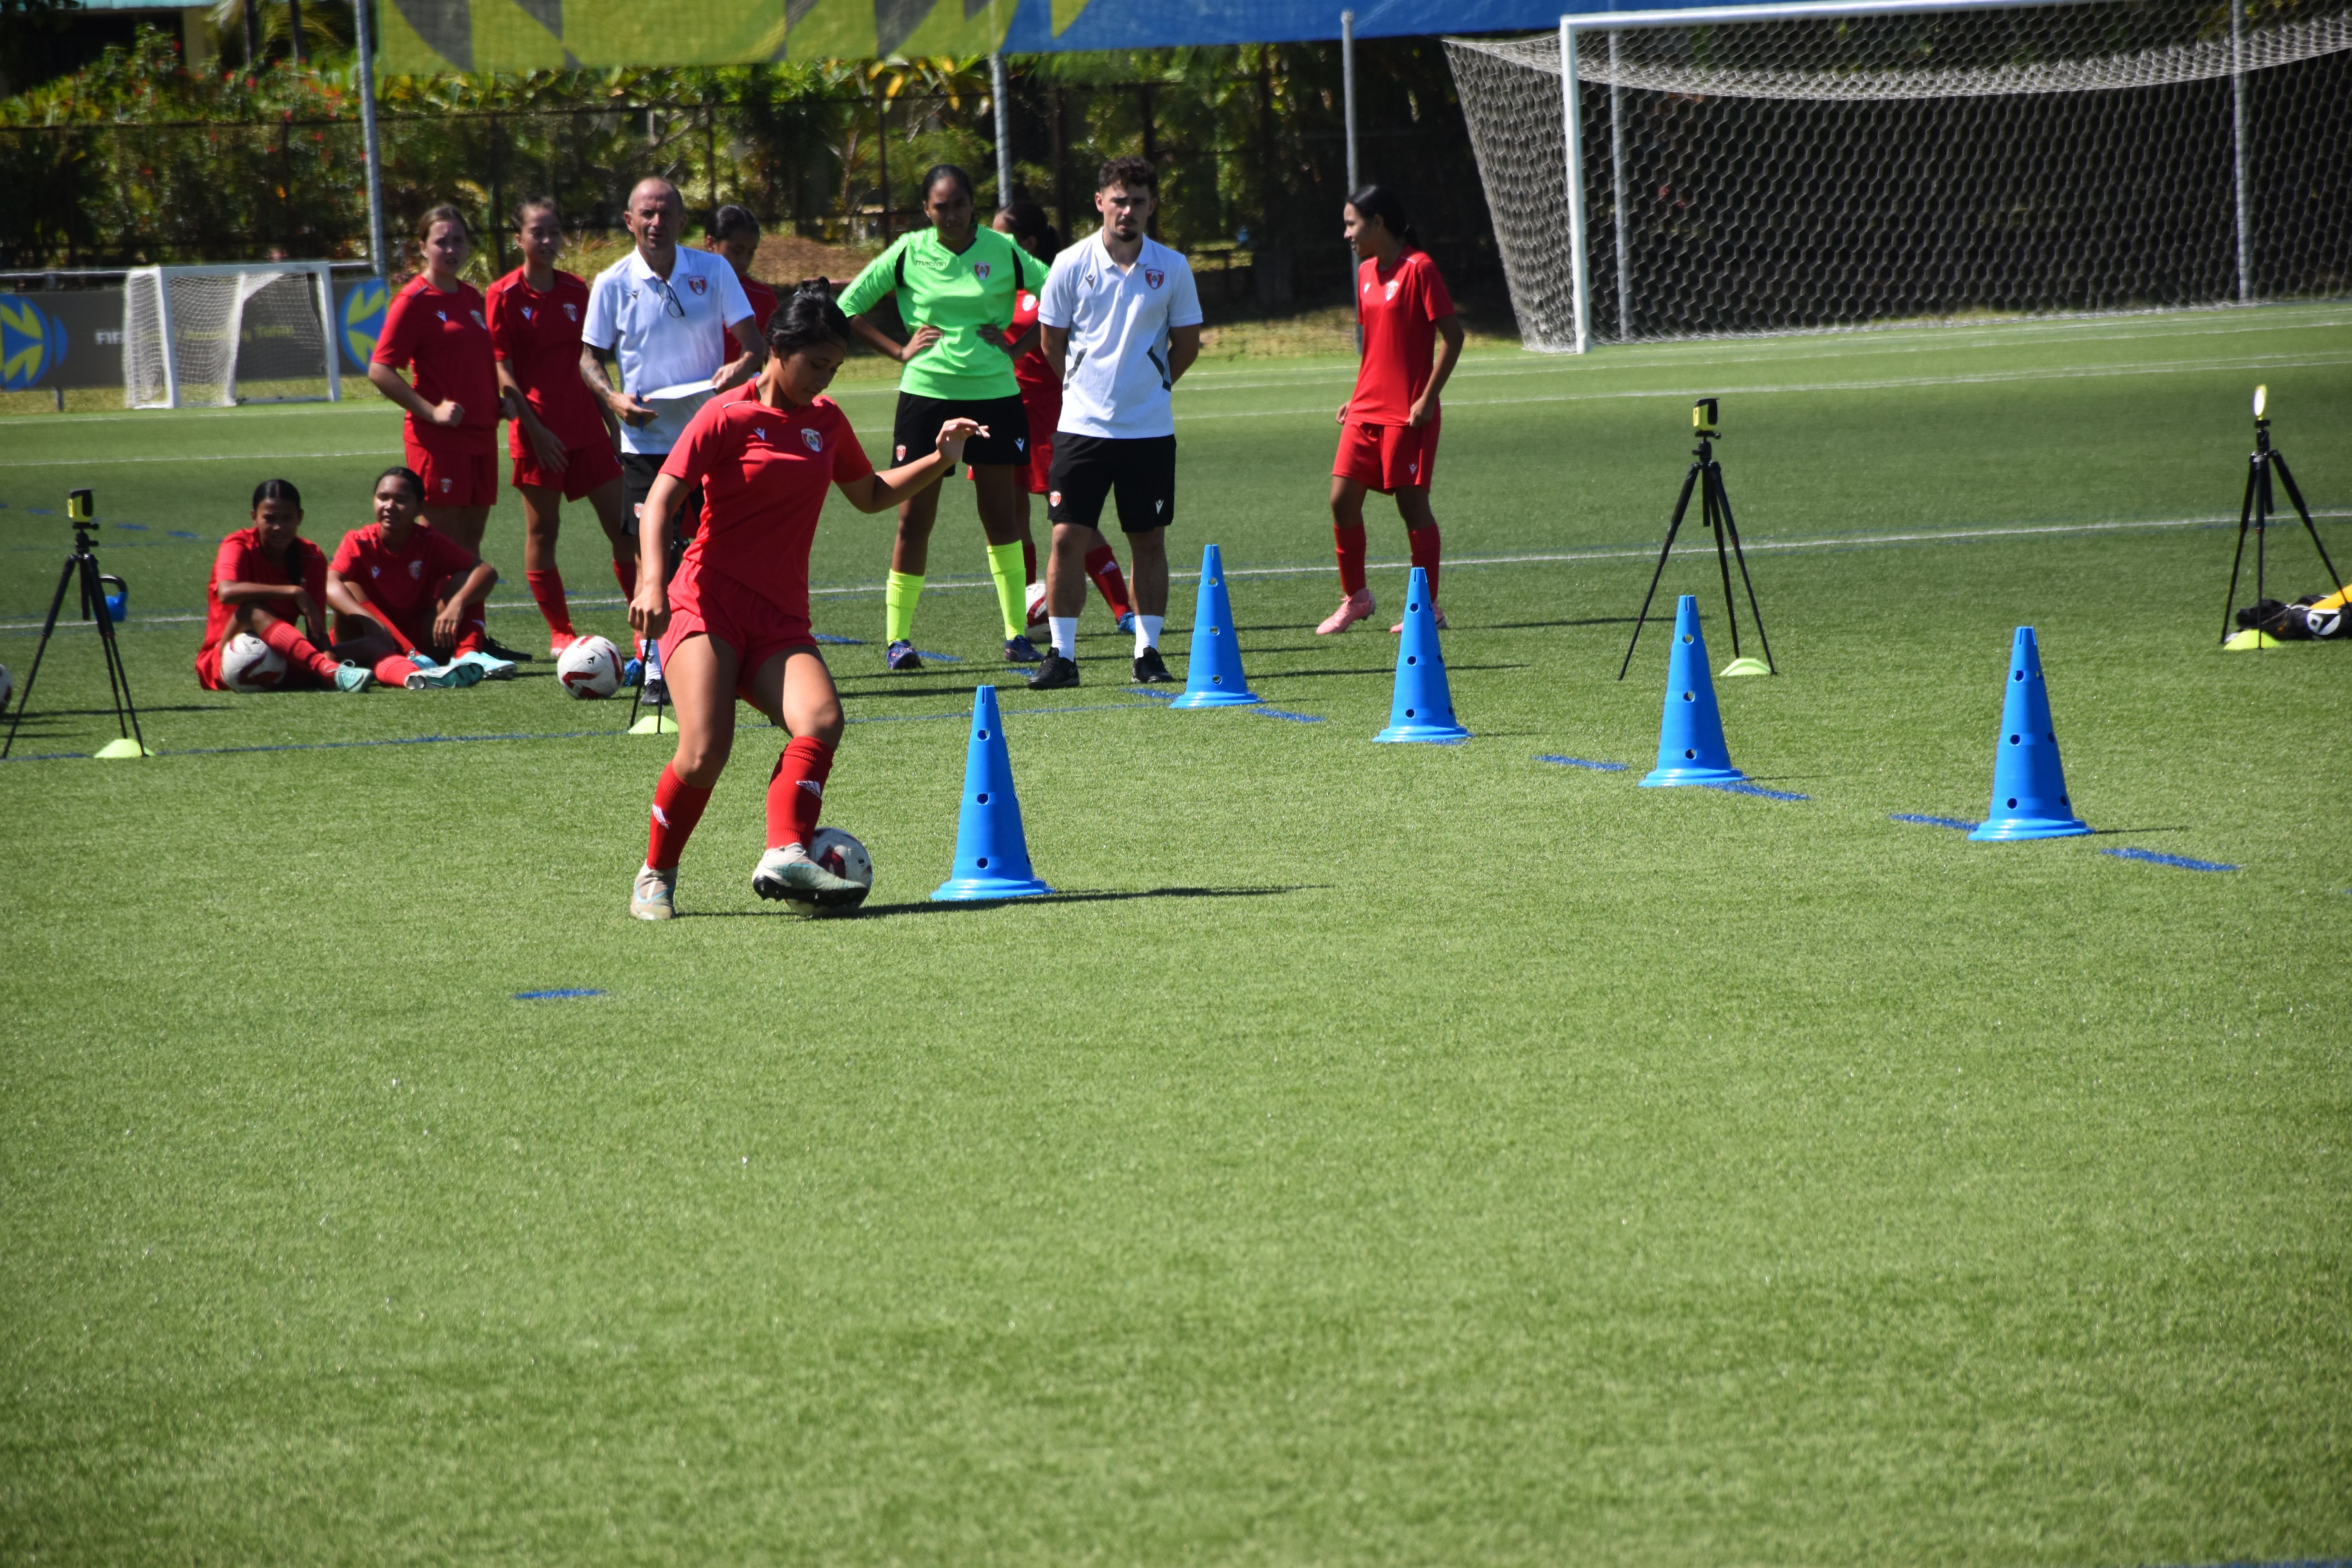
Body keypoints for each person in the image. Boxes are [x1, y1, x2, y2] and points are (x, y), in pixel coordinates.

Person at [625, 283, 987, 921]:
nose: (824, 379)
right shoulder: (724, 416)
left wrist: (941, 458)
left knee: (820, 720)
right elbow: (660, 501)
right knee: (705, 752)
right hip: (706, 603)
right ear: (778, 349)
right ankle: (656, 872)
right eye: (816, 364)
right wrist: (652, 582)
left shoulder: (827, 421)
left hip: (780, 617)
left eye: (834, 368)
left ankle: (785, 851)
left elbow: (871, 494)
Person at [839, 164, 1041, 669]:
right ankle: (898, 641)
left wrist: (1019, 347)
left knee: (1002, 517)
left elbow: (1062, 293)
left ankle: (1017, 635)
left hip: (994, 395)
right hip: (926, 397)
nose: (951, 215)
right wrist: (898, 351)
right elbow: (848, 306)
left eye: (959, 205)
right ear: (926, 210)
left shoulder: (1002, 249)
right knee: (914, 519)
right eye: (940, 207)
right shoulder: (908, 250)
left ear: (974, 205)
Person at [582, 177, 765, 698]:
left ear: (683, 221)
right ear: (629, 221)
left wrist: (737, 369)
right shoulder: (611, 282)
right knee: (651, 552)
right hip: (646, 440)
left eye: (666, 213)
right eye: (647, 213)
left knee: (723, 544)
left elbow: (754, 345)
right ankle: (655, 666)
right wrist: (613, 399)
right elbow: (589, 357)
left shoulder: (715, 270)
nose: (657, 222)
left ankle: (731, 653)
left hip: (712, 435)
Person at [1027, 156, 1203, 691]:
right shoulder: (1069, 264)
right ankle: (1062, 656)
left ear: (1153, 206)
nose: (1128, 210)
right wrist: (1083, 387)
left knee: (1148, 541)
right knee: (1066, 538)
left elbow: (1187, 344)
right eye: (1119, 200)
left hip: (1148, 432)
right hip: (1081, 428)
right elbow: (1051, 342)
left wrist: (1154, 386)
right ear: (1100, 201)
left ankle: (1148, 652)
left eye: (1139, 202)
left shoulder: (1172, 267)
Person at [486, 195, 634, 657]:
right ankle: (560, 633)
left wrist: (612, 424)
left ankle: (644, 630)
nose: (548, 240)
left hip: (587, 429)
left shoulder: (576, 290)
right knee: (543, 533)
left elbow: (590, 362)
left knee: (625, 529)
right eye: (538, 232)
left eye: (554, 231)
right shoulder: (503, 295)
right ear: (519, 239)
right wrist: (534, 430)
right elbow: (503, 371)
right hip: (539, 437)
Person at [1319, 185, 1465, 635]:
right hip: (1367, 408)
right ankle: (1357, 599)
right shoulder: (1365, 273)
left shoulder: (1421, 269)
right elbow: (1376, 348)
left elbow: (1454, 338)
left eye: (1352, 224)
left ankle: (1428, 607)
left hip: (1408, 412)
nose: (1346, 234)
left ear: (1378, 223)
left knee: (1412, 507)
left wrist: (1428, 398)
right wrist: (1357, 394)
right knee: (1341, 500)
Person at [993, 201, 1134, 636]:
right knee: (1011, 517)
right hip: (1000, 409)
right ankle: (1024, 610)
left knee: (1071, 516)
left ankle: (1123, 609)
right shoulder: (990, 283)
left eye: (1001, 236)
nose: (990, 243)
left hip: (1049, 413)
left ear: (1028, 243)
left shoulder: (1055, 279)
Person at [366, 206, 503, 562]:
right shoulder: (413, 300)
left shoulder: (471, 297)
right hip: (440, 442)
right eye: (442, 241)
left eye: (459, 240)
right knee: (440, 546)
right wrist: (431, 411)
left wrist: (499, 401)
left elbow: (476, 361)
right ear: (423, 247)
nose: (451, 249)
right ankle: (425, 603)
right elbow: (380, 369)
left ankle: (467, 604)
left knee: (470, 543)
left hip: (482, 437)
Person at [326, 466, 508, 689]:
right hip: (369, 637)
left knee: (467, 579)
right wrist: (369, 621)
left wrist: (457, 604)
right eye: (383, 498)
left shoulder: (428, 540)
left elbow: (486, 572)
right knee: (349, 585)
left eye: (401, 500)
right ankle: (412, 661)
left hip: (421, 636)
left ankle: (468, 655)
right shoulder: (359, 541)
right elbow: (329, 584)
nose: (390, 506)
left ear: (420, 508)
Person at [195, 478, 374, 693]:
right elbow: (227, 592)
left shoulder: (311, 557)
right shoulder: (239, 546)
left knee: (375, 645)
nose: (279, 527)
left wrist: (330, 659)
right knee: (252, 611)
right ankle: (327, 670)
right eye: (269, 519)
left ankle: (343, 672)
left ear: (300, 517)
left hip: (277, 658)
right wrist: (294, 592)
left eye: (288, 518)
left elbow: (316, 631)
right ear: (254, 517)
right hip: (224, 658)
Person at [705, 205, 778, 334]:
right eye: (737, 251)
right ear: (711, 244)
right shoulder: (683, 290)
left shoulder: (763, 299)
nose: (744, 261)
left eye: (751, 253)